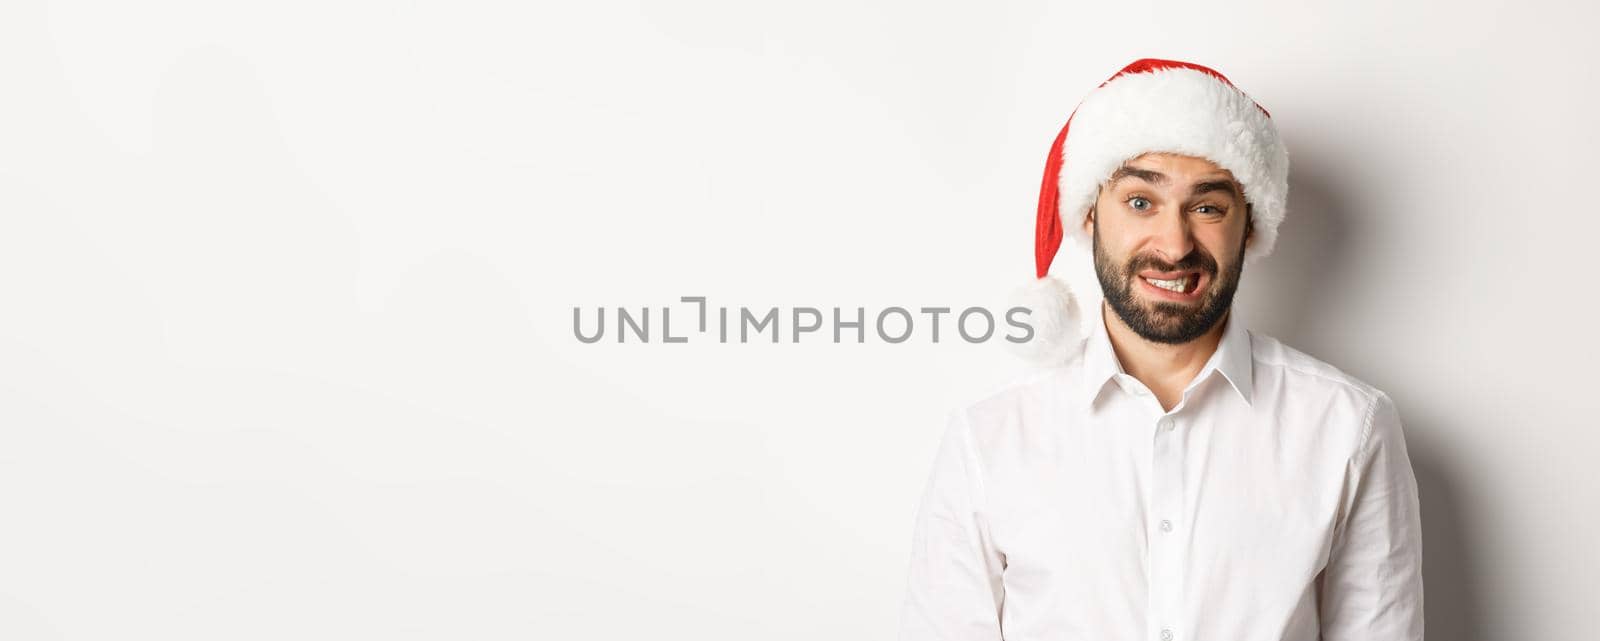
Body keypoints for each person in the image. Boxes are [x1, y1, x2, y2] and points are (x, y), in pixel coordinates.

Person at [896, 59, 1425, 641]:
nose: (1174, 246)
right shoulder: (988, 439)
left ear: (1250, 226)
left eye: (1207, 207)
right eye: (1141, 202)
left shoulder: (1350, 428)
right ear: (1091, 214)